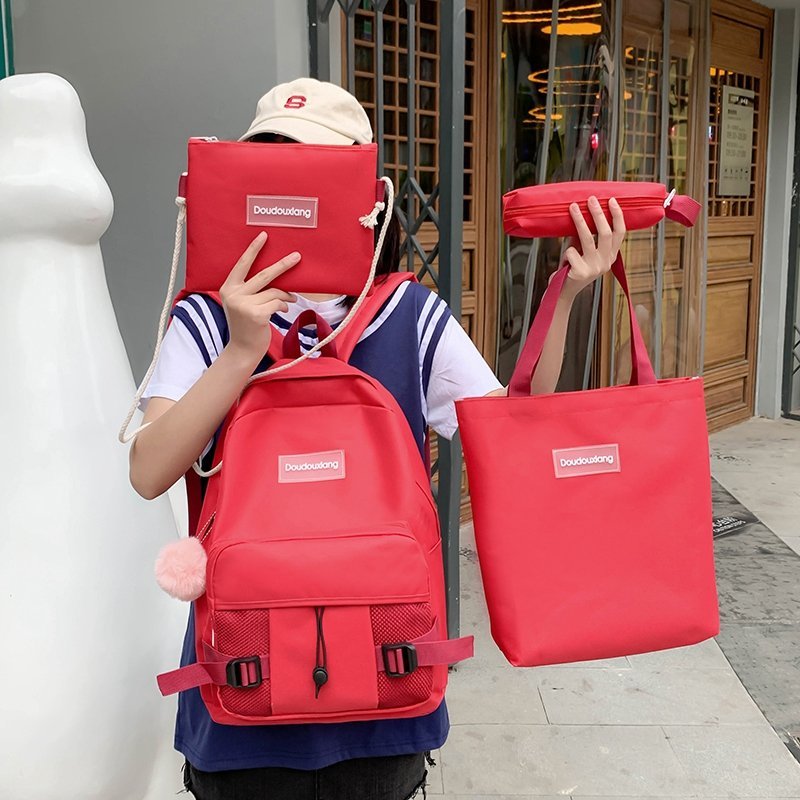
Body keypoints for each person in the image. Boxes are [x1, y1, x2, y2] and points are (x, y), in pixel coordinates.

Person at [129, 77, 626, 800]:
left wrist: (567, 294)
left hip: (384, 689)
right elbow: (148, 470)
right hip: (241, 686)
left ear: (366, 195)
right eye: (268, 168)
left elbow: (512, 443)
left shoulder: (409, 314)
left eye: (315, 172)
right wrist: (241, 350)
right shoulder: (207, 321)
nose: (290, 192)